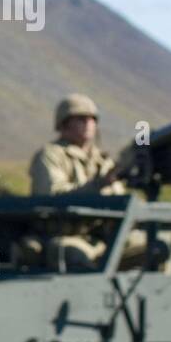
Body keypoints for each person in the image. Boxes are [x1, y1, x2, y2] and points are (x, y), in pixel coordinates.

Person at [27, 94, 128, 268]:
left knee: (159, 245)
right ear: (64, 123)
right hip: (63, 236)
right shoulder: (51, 155)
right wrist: (98, 186)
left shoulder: (102, 161)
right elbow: (52, 195)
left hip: (102, 236)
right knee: (75, 255)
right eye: (81, 119)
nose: (89, 124)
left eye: (92, 119)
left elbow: (120, 198)